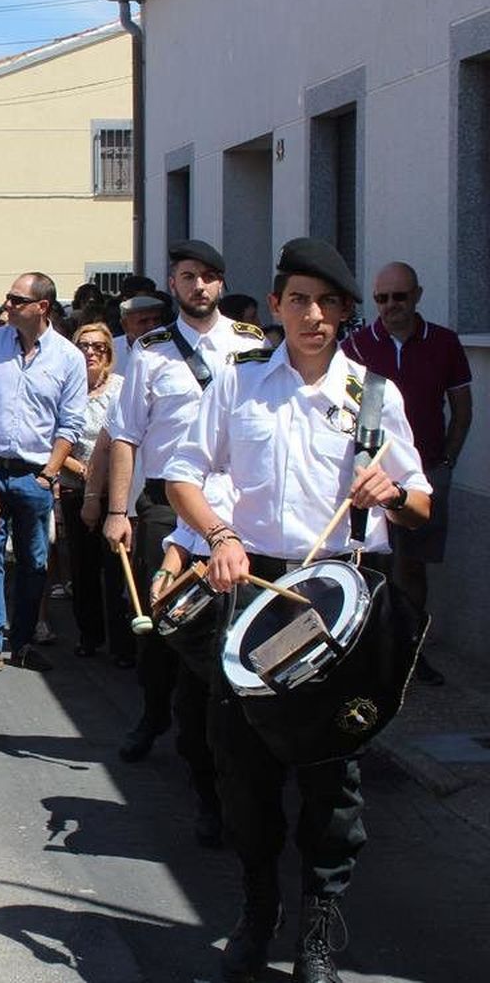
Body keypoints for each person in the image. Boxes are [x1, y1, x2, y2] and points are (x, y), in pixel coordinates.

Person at [165, 237, 431, 983]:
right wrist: (219, 536)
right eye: (300, 301)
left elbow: (419, 502)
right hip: (253, 591)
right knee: (243, 768)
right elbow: (183, 475)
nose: (313, 316)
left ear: (344, 313)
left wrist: (392, 493)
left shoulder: (372, 395)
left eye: (328, 303)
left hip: (339, 593)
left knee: (331, 778)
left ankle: (318, 929)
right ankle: (258, 909)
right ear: (277, 305)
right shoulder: (239, 381)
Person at [103, 239, 263, 848]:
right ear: (173, 283)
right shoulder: (149, 352)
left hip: (232, 510)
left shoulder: (251, 346)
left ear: (222, 284)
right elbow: (125, 435)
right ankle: (154, 714)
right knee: (161, 623)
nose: (199, 286)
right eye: (188, 276)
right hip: (162, 505)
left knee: (225, 634)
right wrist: (118, 509)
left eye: (209, 277)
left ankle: (220, 751)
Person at [340, 260, 471, 686]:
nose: (390, 305)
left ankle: (411, 651)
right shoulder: (357, 346)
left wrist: (445, 463)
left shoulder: (444, 343)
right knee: (369, 566)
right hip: (367, 478)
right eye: (381, 298)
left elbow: (462, 411)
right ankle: (370, 654)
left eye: (399, 296)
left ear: (417, 296)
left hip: (424, 474)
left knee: (413, 567)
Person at [0, 273, 87, 673]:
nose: (8, 305)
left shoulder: (68, 358)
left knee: (34, 562)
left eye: (17, 300)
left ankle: (24, 641)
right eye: (8, 298)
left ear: (42, 307)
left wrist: (49, 474)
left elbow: (70, 424)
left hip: (35, 474)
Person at [57, 322, 131, 664]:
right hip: (76, 486)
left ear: (109, 354)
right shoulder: (64, 389)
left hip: (115, 491)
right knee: (83, 568)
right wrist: (84, 471)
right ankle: (89, 634)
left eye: (98, 347)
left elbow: (126, 437)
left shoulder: (121, 389)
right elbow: (53, 438)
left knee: (116, 571)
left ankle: (122, 644)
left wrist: (101, 477)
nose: (90, 353)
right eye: (83, 346)